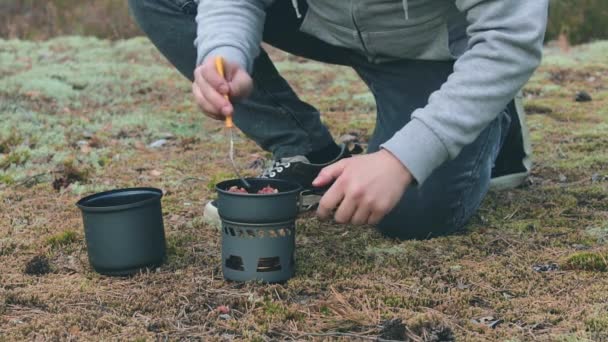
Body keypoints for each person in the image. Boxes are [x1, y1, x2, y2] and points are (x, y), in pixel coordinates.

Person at [129, 0, 548, 239]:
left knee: (409, 214)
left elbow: (509, 39)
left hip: (429, 48)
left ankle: (488, 106)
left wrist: (401, 160)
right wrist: (224, 51)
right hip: (319, 21)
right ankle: (309, 152)